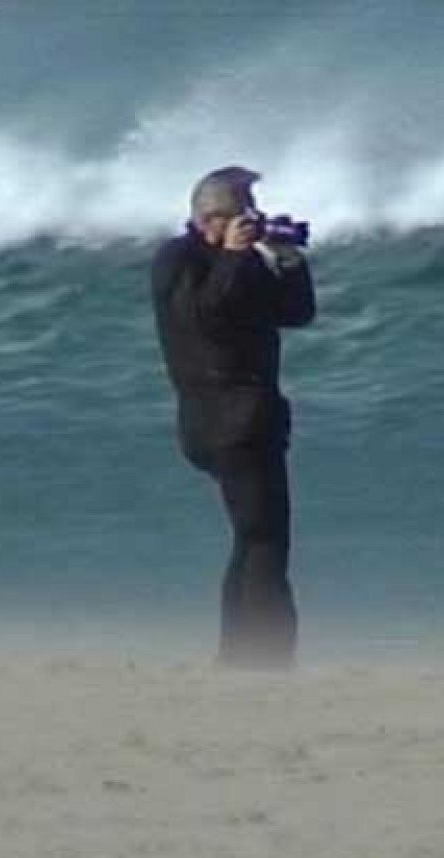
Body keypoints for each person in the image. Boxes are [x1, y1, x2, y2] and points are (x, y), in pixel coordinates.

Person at [150, 165, 316, 670]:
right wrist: (234, 256)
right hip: (223, 422)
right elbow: (205, 318)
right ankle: (268, 658)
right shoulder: (177, 260)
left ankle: (241, 655)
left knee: (253, 537)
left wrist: (287, 261)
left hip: (251, 419)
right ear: (209, 220)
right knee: (264, 539)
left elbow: (296, 313)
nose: (253, 219)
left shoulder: (240, 262)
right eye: (243, 211)